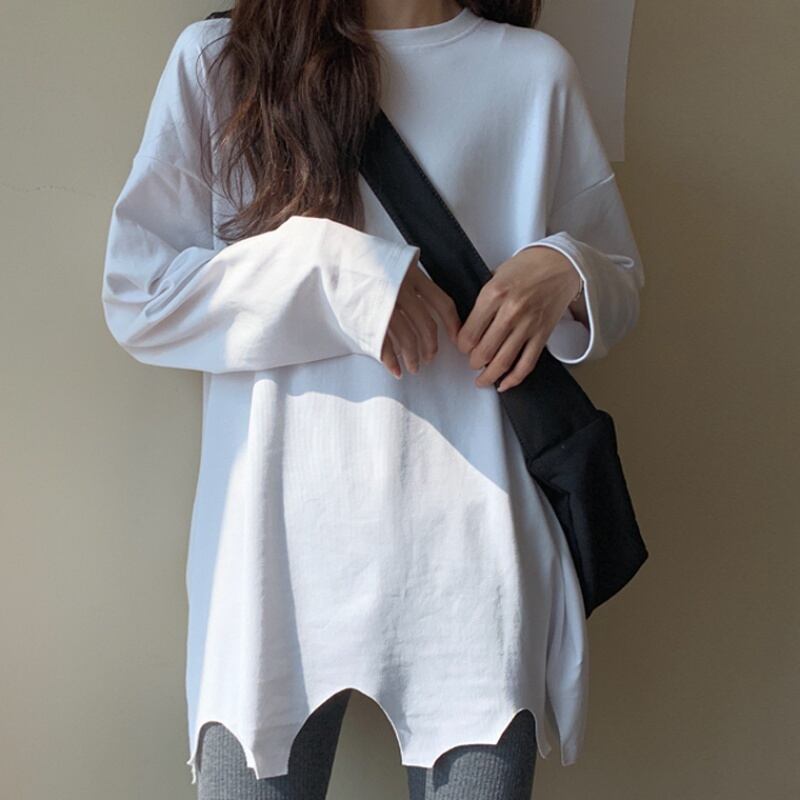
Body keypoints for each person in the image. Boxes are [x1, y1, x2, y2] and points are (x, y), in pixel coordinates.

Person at [101, 1, 645, 798]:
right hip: (272, 552)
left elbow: (619, 278)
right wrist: (336, 268)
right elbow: (141, 294)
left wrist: (567, 270)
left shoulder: (532, 73)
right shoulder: (225, 61)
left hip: (473, 555)